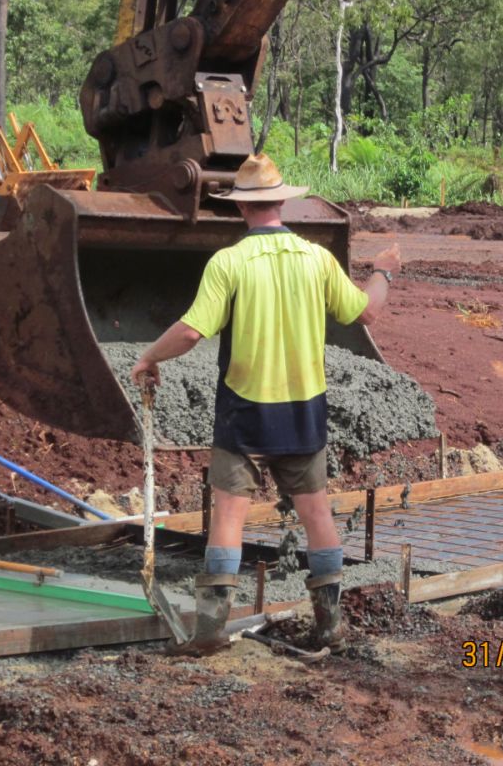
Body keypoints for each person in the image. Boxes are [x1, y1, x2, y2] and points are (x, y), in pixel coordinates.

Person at [131, 152, 400, 656]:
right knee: (316, 514)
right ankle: (329, 626)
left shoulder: (229, 262)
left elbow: (191, 330)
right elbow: (366, 312)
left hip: (245, 412)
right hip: (304, 410)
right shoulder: (316, 258)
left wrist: (148, 357)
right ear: (282, 202)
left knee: (229, 517)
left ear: (239, 209)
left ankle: (210, 633)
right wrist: (383, 272)